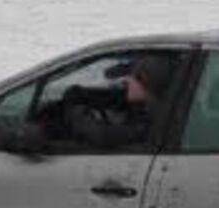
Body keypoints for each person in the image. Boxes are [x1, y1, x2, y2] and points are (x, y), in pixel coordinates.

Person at [13, 54, 176, 153]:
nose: (126, 80)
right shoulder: (145, 104)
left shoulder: (156, 118)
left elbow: (105, 136)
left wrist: (78, 117)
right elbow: (115, 98)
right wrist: (81, 94)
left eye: (132, 77)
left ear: (147, 83)